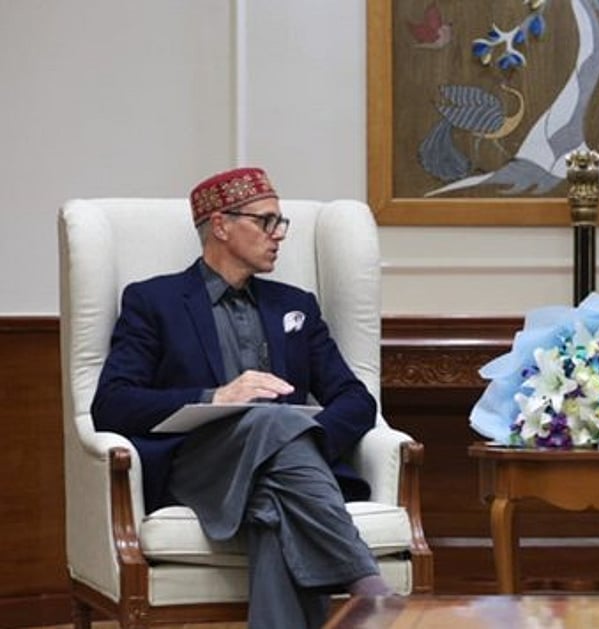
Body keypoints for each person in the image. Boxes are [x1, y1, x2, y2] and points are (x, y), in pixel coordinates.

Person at [91, 167, 393, 628]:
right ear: (221, 225)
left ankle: (371, 597)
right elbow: (112, 403)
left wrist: (302, 438)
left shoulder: (295, 305)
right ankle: (369, 588)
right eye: (266, 221)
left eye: (281, 222)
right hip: (197, 464)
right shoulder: (154, 301)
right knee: (272, 419)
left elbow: (355, 399)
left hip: (282, 472)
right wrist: (215, 397)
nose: (279, 234)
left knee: (273, 505)